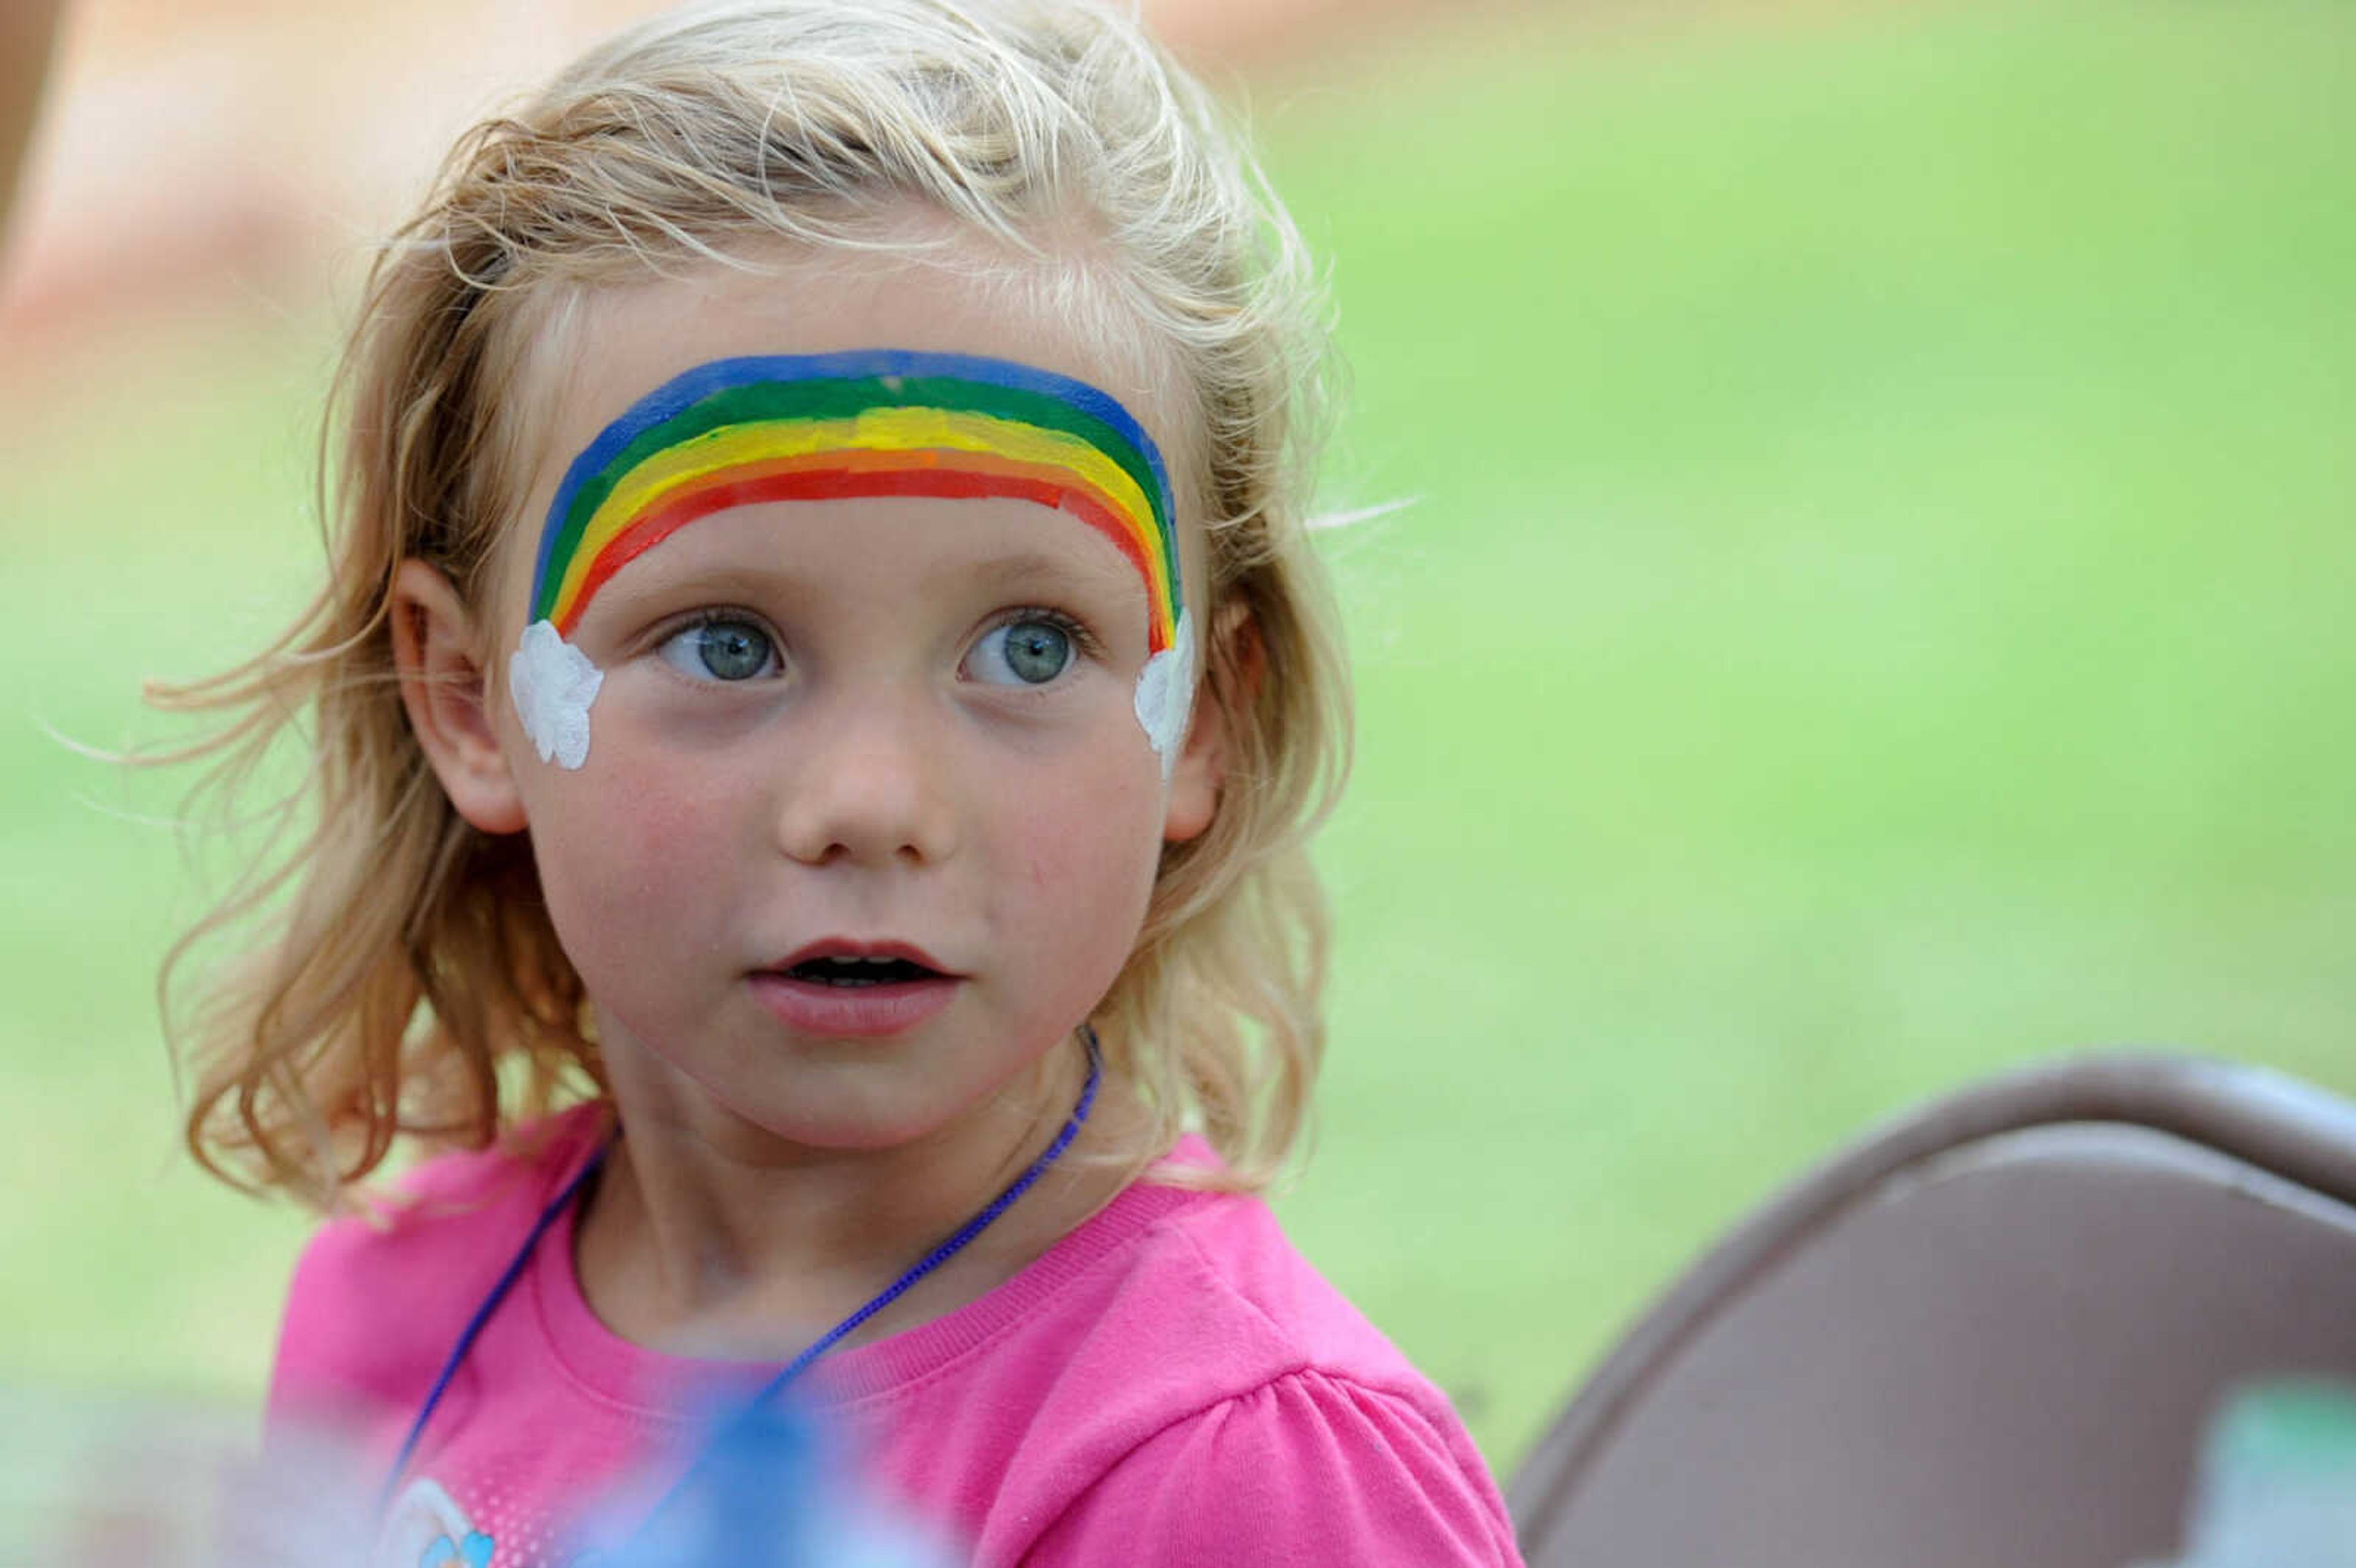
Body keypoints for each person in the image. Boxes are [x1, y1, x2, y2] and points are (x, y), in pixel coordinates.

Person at [156, 2, 1523, 1564]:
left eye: (1027, 647)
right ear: (471, 699)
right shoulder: (396, 1321)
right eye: (729, 644)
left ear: (1201, 715)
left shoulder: (1229, 1476)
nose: (873, 802)